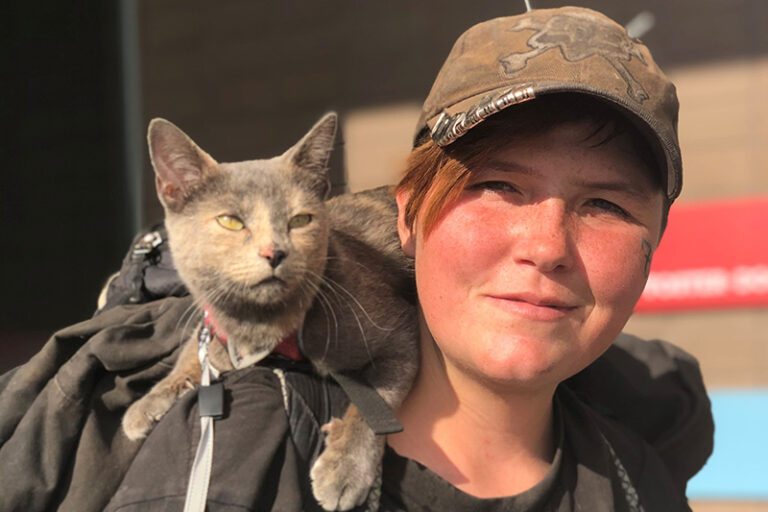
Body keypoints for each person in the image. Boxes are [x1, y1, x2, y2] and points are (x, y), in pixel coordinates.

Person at [0, 6, 712, 512]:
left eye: (605, 206)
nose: (546, 246)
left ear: (654, 245)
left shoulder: (640, 479)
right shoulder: (229, 459)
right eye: (497, 186)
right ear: (407, 215)